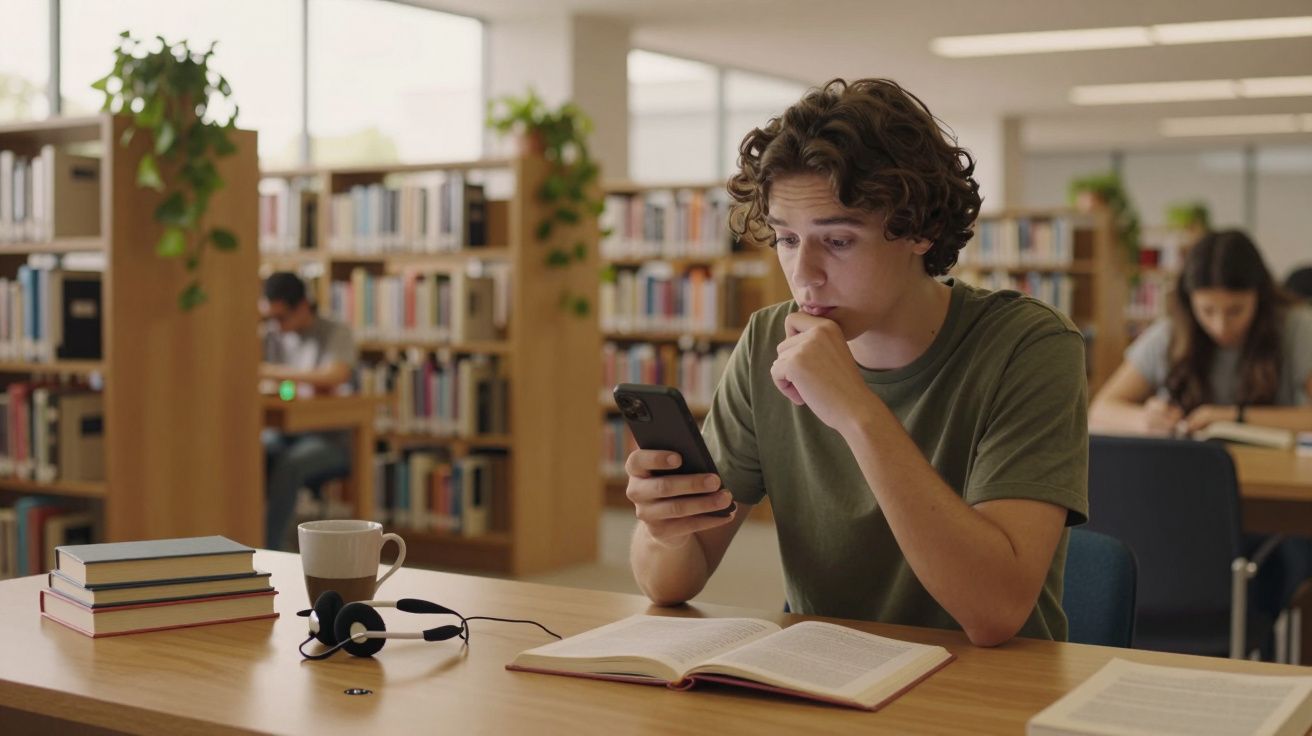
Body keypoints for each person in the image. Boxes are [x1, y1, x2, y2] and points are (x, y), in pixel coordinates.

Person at [625, 79, 1089, 647]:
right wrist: (667, 530)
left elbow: (994, 613)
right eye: (787, 239)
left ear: (923, 230)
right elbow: (669, 584)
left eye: (838, 241)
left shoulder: (1029, 344)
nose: (805, 274)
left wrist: (856, 413)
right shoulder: (768, 338)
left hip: (985, 691)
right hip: (826, 679)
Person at [1090, 230, 1312, 435]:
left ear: (1260, 297)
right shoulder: (1170, 334)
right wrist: (1143, 419)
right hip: (1185, 469)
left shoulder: (1297, 327)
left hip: (1274, 471)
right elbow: (1099, 410)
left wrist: (1233, 417)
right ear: (1189, 303)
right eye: (1207, 311)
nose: (1220, 326)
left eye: (1236, 310)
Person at [260, 271, 358, 550]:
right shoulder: (272, 335)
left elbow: (334, 376)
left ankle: (270, 549)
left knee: (289, 464)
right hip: (285, 430)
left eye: (281, 318)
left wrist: (272, 372)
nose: (276, 326)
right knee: (256, 450)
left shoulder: (335, 332)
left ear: (303, 306)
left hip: (330, 439)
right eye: (271, 318)